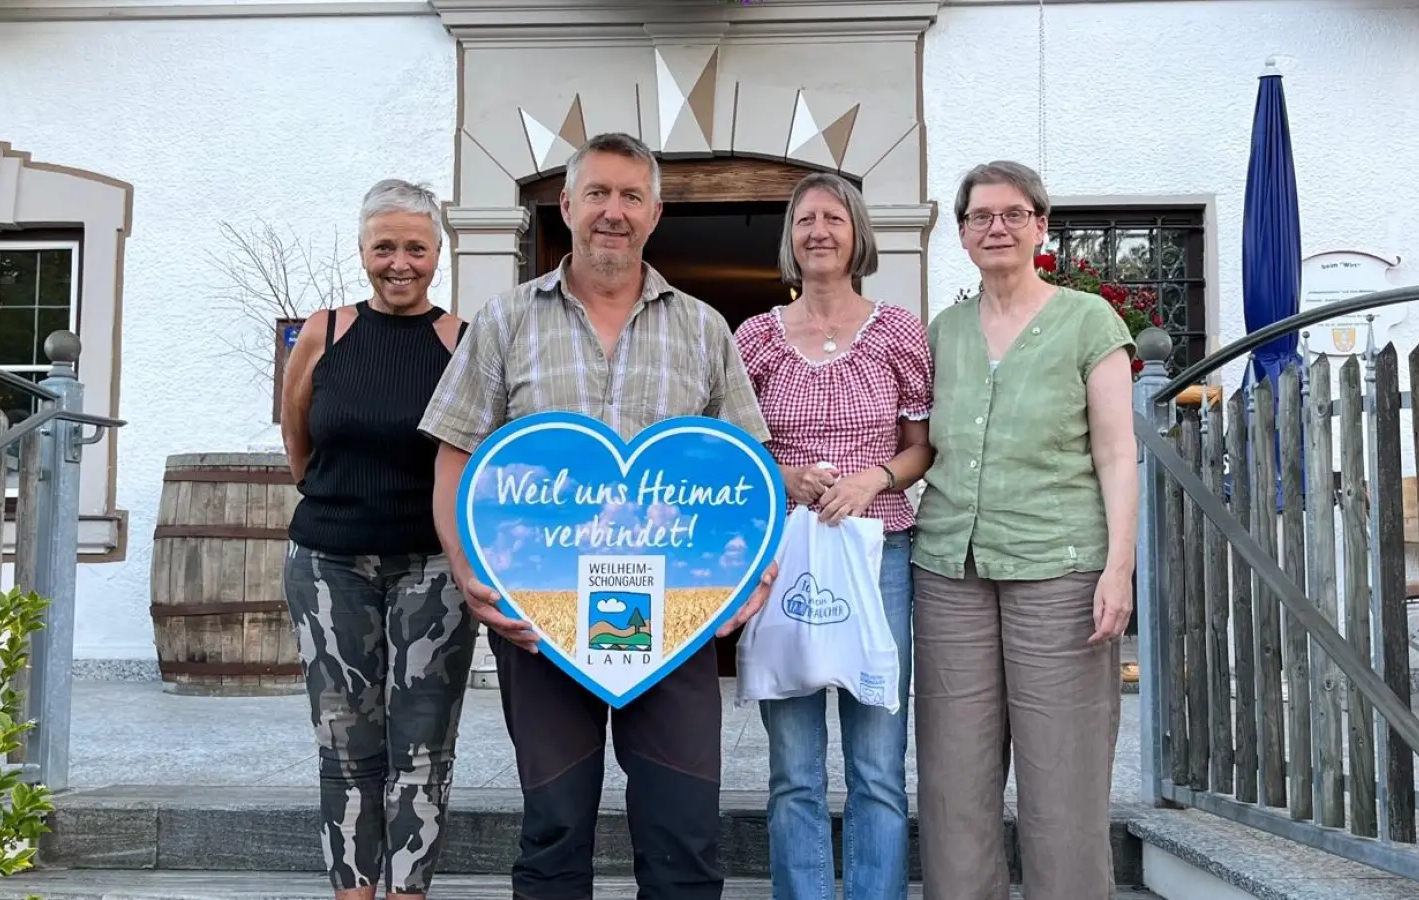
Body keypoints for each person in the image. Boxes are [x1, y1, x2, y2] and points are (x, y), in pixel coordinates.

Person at [418, 131, 779, 900]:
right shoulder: (506, 319)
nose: (612, 211)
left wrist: (753, 577)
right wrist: (465, 565)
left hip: (677, 615)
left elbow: (750, 470)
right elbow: (455, 454)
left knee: (684, 832)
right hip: (540, 615)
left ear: (655, 213)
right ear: (567, 204)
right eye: (598, 194)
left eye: (630, 196)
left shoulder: (704, 327)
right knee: (553, 826)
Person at [910, 160, 1138, 900]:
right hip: (951, 571)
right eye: (980, 216)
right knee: (953, 772)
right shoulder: (940, 332)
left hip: (1060, 567)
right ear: (963, 233)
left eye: (1013, 214)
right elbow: (915, 444)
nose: (996, 227)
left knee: (1062, 771)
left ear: (1042, 225)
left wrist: (1119, 569)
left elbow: (1115, 451)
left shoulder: (1087, 321)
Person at [732, 171, 935, 900]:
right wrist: (780, 472)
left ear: (858, 235)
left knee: (879, 760)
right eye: (805, 220)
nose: (819, 231)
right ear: (791, 238)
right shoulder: (754, 338)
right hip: (785, 555)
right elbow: (731, 446)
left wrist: (874, 478)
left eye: (834, 219)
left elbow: (922, 445)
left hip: (880, 554)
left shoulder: (899, 331)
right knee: (793, 764)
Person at [279, 178, 478, 900]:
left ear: (438, 255)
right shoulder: (324, 332)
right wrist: (338, 502)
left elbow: (474, 455)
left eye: (416, 248)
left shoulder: (462, 342)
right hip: (328, 564)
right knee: (344, 742)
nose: (400, 263)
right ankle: (354, 892)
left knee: (423, 748)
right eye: (384, 247)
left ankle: (406, 893)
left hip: (435, 567)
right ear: (362, 249)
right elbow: (298, 439)